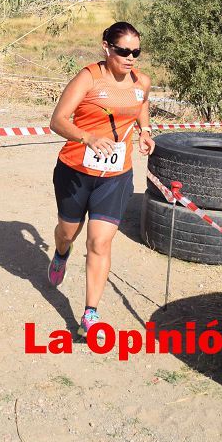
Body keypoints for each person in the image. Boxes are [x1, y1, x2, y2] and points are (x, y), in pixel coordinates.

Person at [46, 21, 154, 336]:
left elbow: (141, 104)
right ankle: (61, 253)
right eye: (123, 51)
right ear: (106, 47)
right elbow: (58, 120)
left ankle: (90, 314)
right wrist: (87, 138)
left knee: (100, 242)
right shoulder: (88, 78)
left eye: (136, 52)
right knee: (67, 232)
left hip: (116, 176)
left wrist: (145, 131)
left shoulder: (141, 82)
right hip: (76, 170)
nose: (130, 57)